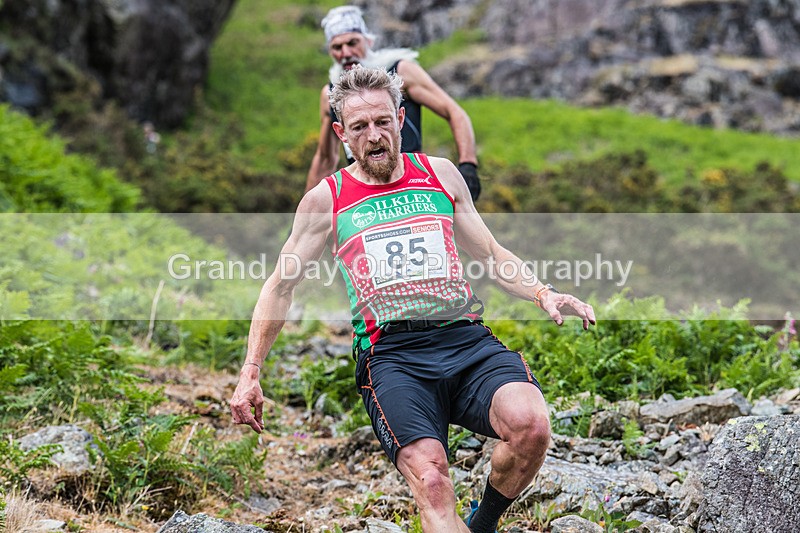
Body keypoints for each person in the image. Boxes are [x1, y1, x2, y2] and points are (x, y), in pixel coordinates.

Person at [231, 67, 596, 532]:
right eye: (360, 127)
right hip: (393, 358)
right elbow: (280, 287)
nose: (375, 135)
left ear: (401, 119)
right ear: (342, 134)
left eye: (383, 121)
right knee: (433, 480)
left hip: (465, 341)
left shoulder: (439, 174)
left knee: (532, 427)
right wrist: (250, 373)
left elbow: (490, 253)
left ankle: (482, 523)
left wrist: (543, 292)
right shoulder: (328, 199)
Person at [304, 5, 482, 201]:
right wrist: (303, 220)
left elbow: (454, 112)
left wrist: (468, 166)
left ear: (368, 41)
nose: (346, 52)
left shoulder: (400, 72)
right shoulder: (330, 94)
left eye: (352, 42)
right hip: (366, 193)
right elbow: (325, 159)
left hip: (412, 185)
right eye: (337, 47)